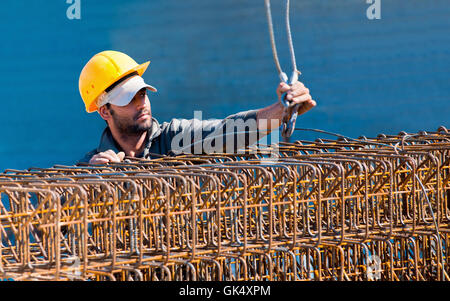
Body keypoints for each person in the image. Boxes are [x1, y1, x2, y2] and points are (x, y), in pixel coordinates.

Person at [78, 51, 316, 164]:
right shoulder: (92, 165)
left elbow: (229, 131)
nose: (141, 103)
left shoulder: (174, 138)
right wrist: (94, 181)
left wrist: (281, 110)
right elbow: (50, 225)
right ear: (105, 111)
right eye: (128, 99)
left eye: (142, 93)